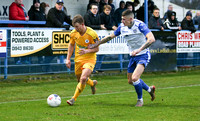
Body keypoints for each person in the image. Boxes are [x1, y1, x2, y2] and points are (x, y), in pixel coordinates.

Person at [89, 10, 156, 107]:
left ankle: (140, 100)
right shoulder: (122, 27)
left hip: (143, 54)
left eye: (124, 19)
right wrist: (98, 43)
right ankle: (150, 90)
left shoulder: (140, 25)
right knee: (130, 81)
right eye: (121, 19)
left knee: (135, 78)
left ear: (131, 19)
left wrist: (139, 50)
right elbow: (110, 37)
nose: (122, 21)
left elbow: (151, 39)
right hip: (133, 55)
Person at [66, 15, 99, 105]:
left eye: (77, 26)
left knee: (83, 78)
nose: (75, 29)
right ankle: (92, 83)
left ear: (82, 24)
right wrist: (68, 59)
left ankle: (73, 99)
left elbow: (97, 49)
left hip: (90, 59)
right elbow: (71, 45)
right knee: (80, 80)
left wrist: (86, 51)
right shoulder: (73, 33)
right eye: (74, 27)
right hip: (78, 59)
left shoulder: (92, 34)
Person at [9, 0, 30, 64]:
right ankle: (17, 60)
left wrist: (26, 18)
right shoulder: (13, 6)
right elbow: (14, 17)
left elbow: (25, 15)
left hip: (23, 28)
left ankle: (24, 59)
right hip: (16, 29)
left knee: (24, 44)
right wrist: (24, 19)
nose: (21, 0)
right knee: (17, 45)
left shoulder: (22, 6)